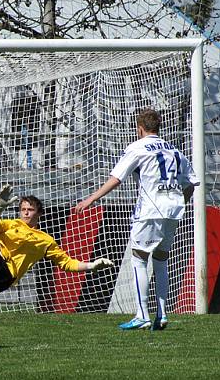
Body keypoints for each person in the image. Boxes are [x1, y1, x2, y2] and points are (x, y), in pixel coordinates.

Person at [74, 108, 198, 331]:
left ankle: (142, 315)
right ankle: (161, 314)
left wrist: (90, 199)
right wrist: (180, 202)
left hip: (150, 210)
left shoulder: (137, 147)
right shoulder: (173, 150)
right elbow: (192, 182)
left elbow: (116, 178)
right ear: (158, 128)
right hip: (173, 210)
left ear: (139, 128)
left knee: (139, 258)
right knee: (161, 261)